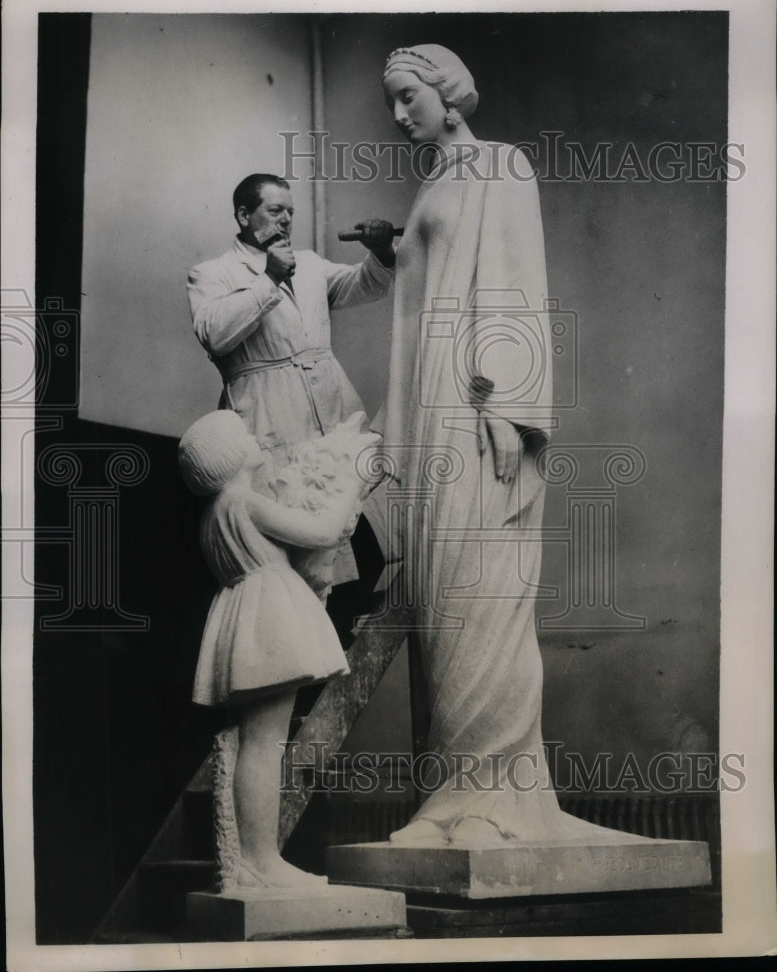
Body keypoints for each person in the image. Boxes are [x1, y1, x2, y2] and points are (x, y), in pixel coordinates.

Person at [379, 45, 635, 847]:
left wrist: (506, 405)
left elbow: (517, 286)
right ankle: (454, 795)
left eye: (407, 97)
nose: (397, 116)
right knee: (440, 601)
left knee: (482, 592)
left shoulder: (501, 167)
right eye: (390, 102)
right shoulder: (433, 184)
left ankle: (495, 800)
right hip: (428, 419)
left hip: (477, 409)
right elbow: (420, 298)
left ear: (448, 95)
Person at [178, 409, 378, 888]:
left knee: (257, 742)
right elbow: (321, 533)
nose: (255, 438)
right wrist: (352, 482)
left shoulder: (213, 514)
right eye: (244, 434)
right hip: (269, 618)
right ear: (230, 455)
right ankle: (260, 861)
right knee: (266, 746)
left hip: (242, 619)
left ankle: (254, 859)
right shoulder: (244, 502)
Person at [187, 173, 396, 590]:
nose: (285, 221)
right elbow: (213, 333)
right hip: (267, 411)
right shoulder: (211, 272)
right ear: (244, 215)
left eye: (291, 213)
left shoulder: (311, 264)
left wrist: (381, 251)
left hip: (328, 402)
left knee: (345, 531)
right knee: (288, 545)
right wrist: (269, 279)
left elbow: (367, 284)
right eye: (275, 211)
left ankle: (340, 635)